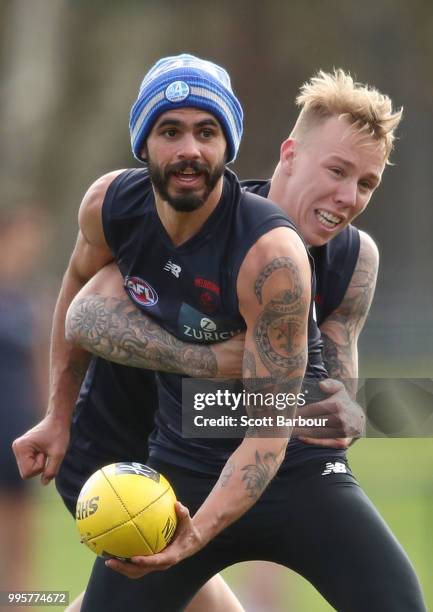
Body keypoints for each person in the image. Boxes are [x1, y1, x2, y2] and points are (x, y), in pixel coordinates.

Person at [13, 62, 426, 611]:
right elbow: (84, 314)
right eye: (337, 171)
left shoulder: (350, 259)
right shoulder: (169, 214)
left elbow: (320, 406)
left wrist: (332, 404)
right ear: (288, 154)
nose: (348, 197)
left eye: (366, 183)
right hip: (166, 468)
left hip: (294, 471)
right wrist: (215, 364)